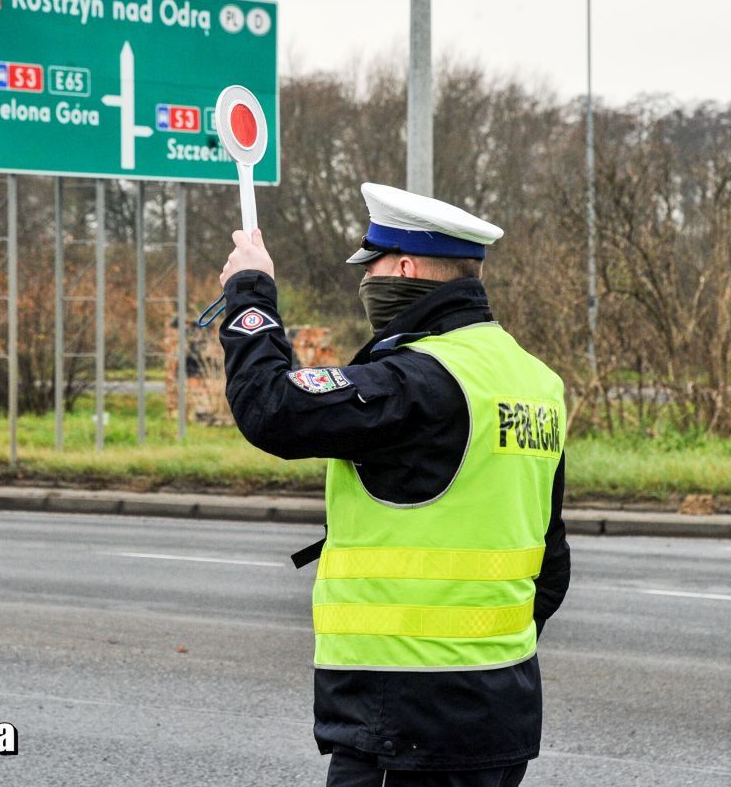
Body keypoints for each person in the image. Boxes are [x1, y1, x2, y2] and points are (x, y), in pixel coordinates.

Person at [217, 183, 570, 787]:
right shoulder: (532, 380)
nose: (366, 280)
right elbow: (550, 562)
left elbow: (271, 408)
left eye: (371, 265)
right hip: (499, 712)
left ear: (403, 267)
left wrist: (250, 294)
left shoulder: (417, 380)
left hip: (405, 724)